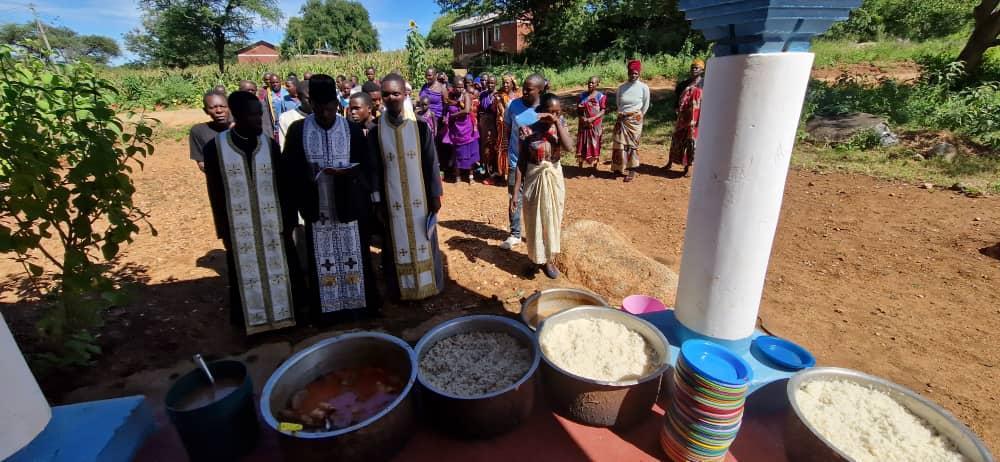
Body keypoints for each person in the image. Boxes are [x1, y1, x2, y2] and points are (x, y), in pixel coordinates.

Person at [281, 75, 381, 323]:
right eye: (319, 108)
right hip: (317, 207)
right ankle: (327, 312)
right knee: (321, 259)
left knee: (355, 254)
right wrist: (306, 178)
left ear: (336, 104)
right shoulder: (298, 130)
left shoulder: (351, 130)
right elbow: (288, 172)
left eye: (329, 108)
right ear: (311, 104)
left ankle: (358, 307)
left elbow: (367, 167)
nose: (325, 114)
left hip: (348, 205)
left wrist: (351, 175)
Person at [201, 91, 302, 334]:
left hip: (273, 224)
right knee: (243, 273)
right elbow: (215, 192)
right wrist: (223, 230)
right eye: (253, 115)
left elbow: (284, 186)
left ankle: (287, 318)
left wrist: (289, 220)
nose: (259, 120)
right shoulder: (215, 148)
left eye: (260, 114)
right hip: (239, 227)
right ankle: (253, 323)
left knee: (284, 269)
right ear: (238, 115)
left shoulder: (268, 145)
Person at [367, 74, 445, 301]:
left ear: (405, 94)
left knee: (424, 238)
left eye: (396, 93)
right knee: (394, 241)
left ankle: (430, 286)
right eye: (386, 94)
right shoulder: (375, 130)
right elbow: (373, 169)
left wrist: (435, 194)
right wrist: (376, 200)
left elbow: (431, 162)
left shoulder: (419, 126)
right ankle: (401, 290)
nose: (391, 98)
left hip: (420, 198)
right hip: (392, 200)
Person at [515, 93, 572, 279]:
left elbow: (569, 147)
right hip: (534, 178)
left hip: (554, 177)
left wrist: (556, 123)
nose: (554, 115)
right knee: (533, 222)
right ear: (540, 111)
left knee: (551, 220)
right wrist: (515, 193)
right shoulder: (526, 128)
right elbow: (521, 162)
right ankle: (534, 259)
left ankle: (548, 260)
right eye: (550, 112)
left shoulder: (560, 124)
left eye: (558, 112)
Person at [500, 74, 544, 250]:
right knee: (514, 196)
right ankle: (515, 234)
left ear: (540, 90)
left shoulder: (545, 108)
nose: (524, 91)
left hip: (537, 164)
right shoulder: (513, 105)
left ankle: (537, 235)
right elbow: (508, 127)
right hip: (515, 160)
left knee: (537, 200)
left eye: (529, 89)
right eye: (524, 88)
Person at [612, 59, 651, 183]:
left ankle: (632, 170)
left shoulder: (644, 88)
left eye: (635, 73)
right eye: (631, 73)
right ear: (627, 72)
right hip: (622, 119)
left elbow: (645, 104)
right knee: (619, 144)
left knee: (632, 145)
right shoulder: (621, 88)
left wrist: (638, 115)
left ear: (639, 73)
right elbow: (618, 103)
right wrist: (623, 113)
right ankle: (618, 168)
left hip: (635, 121)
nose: (633, 75)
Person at [667, 61, 705, 176]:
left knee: (691, 141)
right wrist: (676, 109)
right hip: (683, 117)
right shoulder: (683, 84)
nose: (694, 69)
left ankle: (688, 166)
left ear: (702, 70)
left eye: (697, 68)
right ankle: (670, 162)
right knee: (677, 138)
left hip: (696, 118)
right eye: (692, 67)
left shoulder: (705, 84)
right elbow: (677, 100)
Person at [444, 75, 480, 184]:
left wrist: (453, 116)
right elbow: (447, 107)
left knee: (469, 151)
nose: (460, 89)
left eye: (462, 87)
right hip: (455, 129)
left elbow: (466, 110)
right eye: (458, 87)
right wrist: (447, 117)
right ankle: (458, 176)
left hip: (466, 128)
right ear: (453, 87)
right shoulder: (450, 96)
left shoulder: (466, 96)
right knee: (457, 151)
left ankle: (471, 176)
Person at [189, 91, 232, 172]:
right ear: (205, 111)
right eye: (212, 108)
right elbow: (202, 162)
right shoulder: (199, 131)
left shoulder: (243, 129)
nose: (219, 110)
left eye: (223, 106)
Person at [576, 76, 607, 169]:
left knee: (595, 143)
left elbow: (603, 110)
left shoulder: (601, 96)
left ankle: (594, 167)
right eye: (589, 82)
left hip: (595, 125)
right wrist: (582, 118)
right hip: (583, 124)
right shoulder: (582, 96)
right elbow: (578, 110)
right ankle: (580, 167)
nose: (590, 84)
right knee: (582, 143)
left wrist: (593, 118)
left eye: (593, 83)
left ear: (597, 84)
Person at [494, 73, 518, 182]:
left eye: (507, 83)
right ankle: (503, 173)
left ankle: (514, 172)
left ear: (513, 83)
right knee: (503, 147)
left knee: (514, 146)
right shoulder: (499, 95)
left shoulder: (518, 96)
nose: (505, 85)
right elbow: (502, 112)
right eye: (503, 83)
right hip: (503, 126)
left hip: (515, 125)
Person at [278, 80, 312, 150]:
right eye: (308, 98)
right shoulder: (286, 118)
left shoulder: (326, 117)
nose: (314, 101)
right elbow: (283, 146)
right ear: (299, 98)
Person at [478, 75, 500, 183]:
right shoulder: (482, 94)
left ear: (496, 84)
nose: (490, 85)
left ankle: (495, 172)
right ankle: (487, 171)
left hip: (495, 124)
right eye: (489, 83)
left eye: (492, 83)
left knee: (494, 147)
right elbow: (480, 109)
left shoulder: (498, 95)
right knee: (485, 147)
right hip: (484, 123)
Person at [261, 73, 294, 139]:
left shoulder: (287, 91)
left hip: (289, 124)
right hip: (276, 127)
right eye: (273, 83)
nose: (275, 84)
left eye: (277, 82)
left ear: (280, 82)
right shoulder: (268, 95)